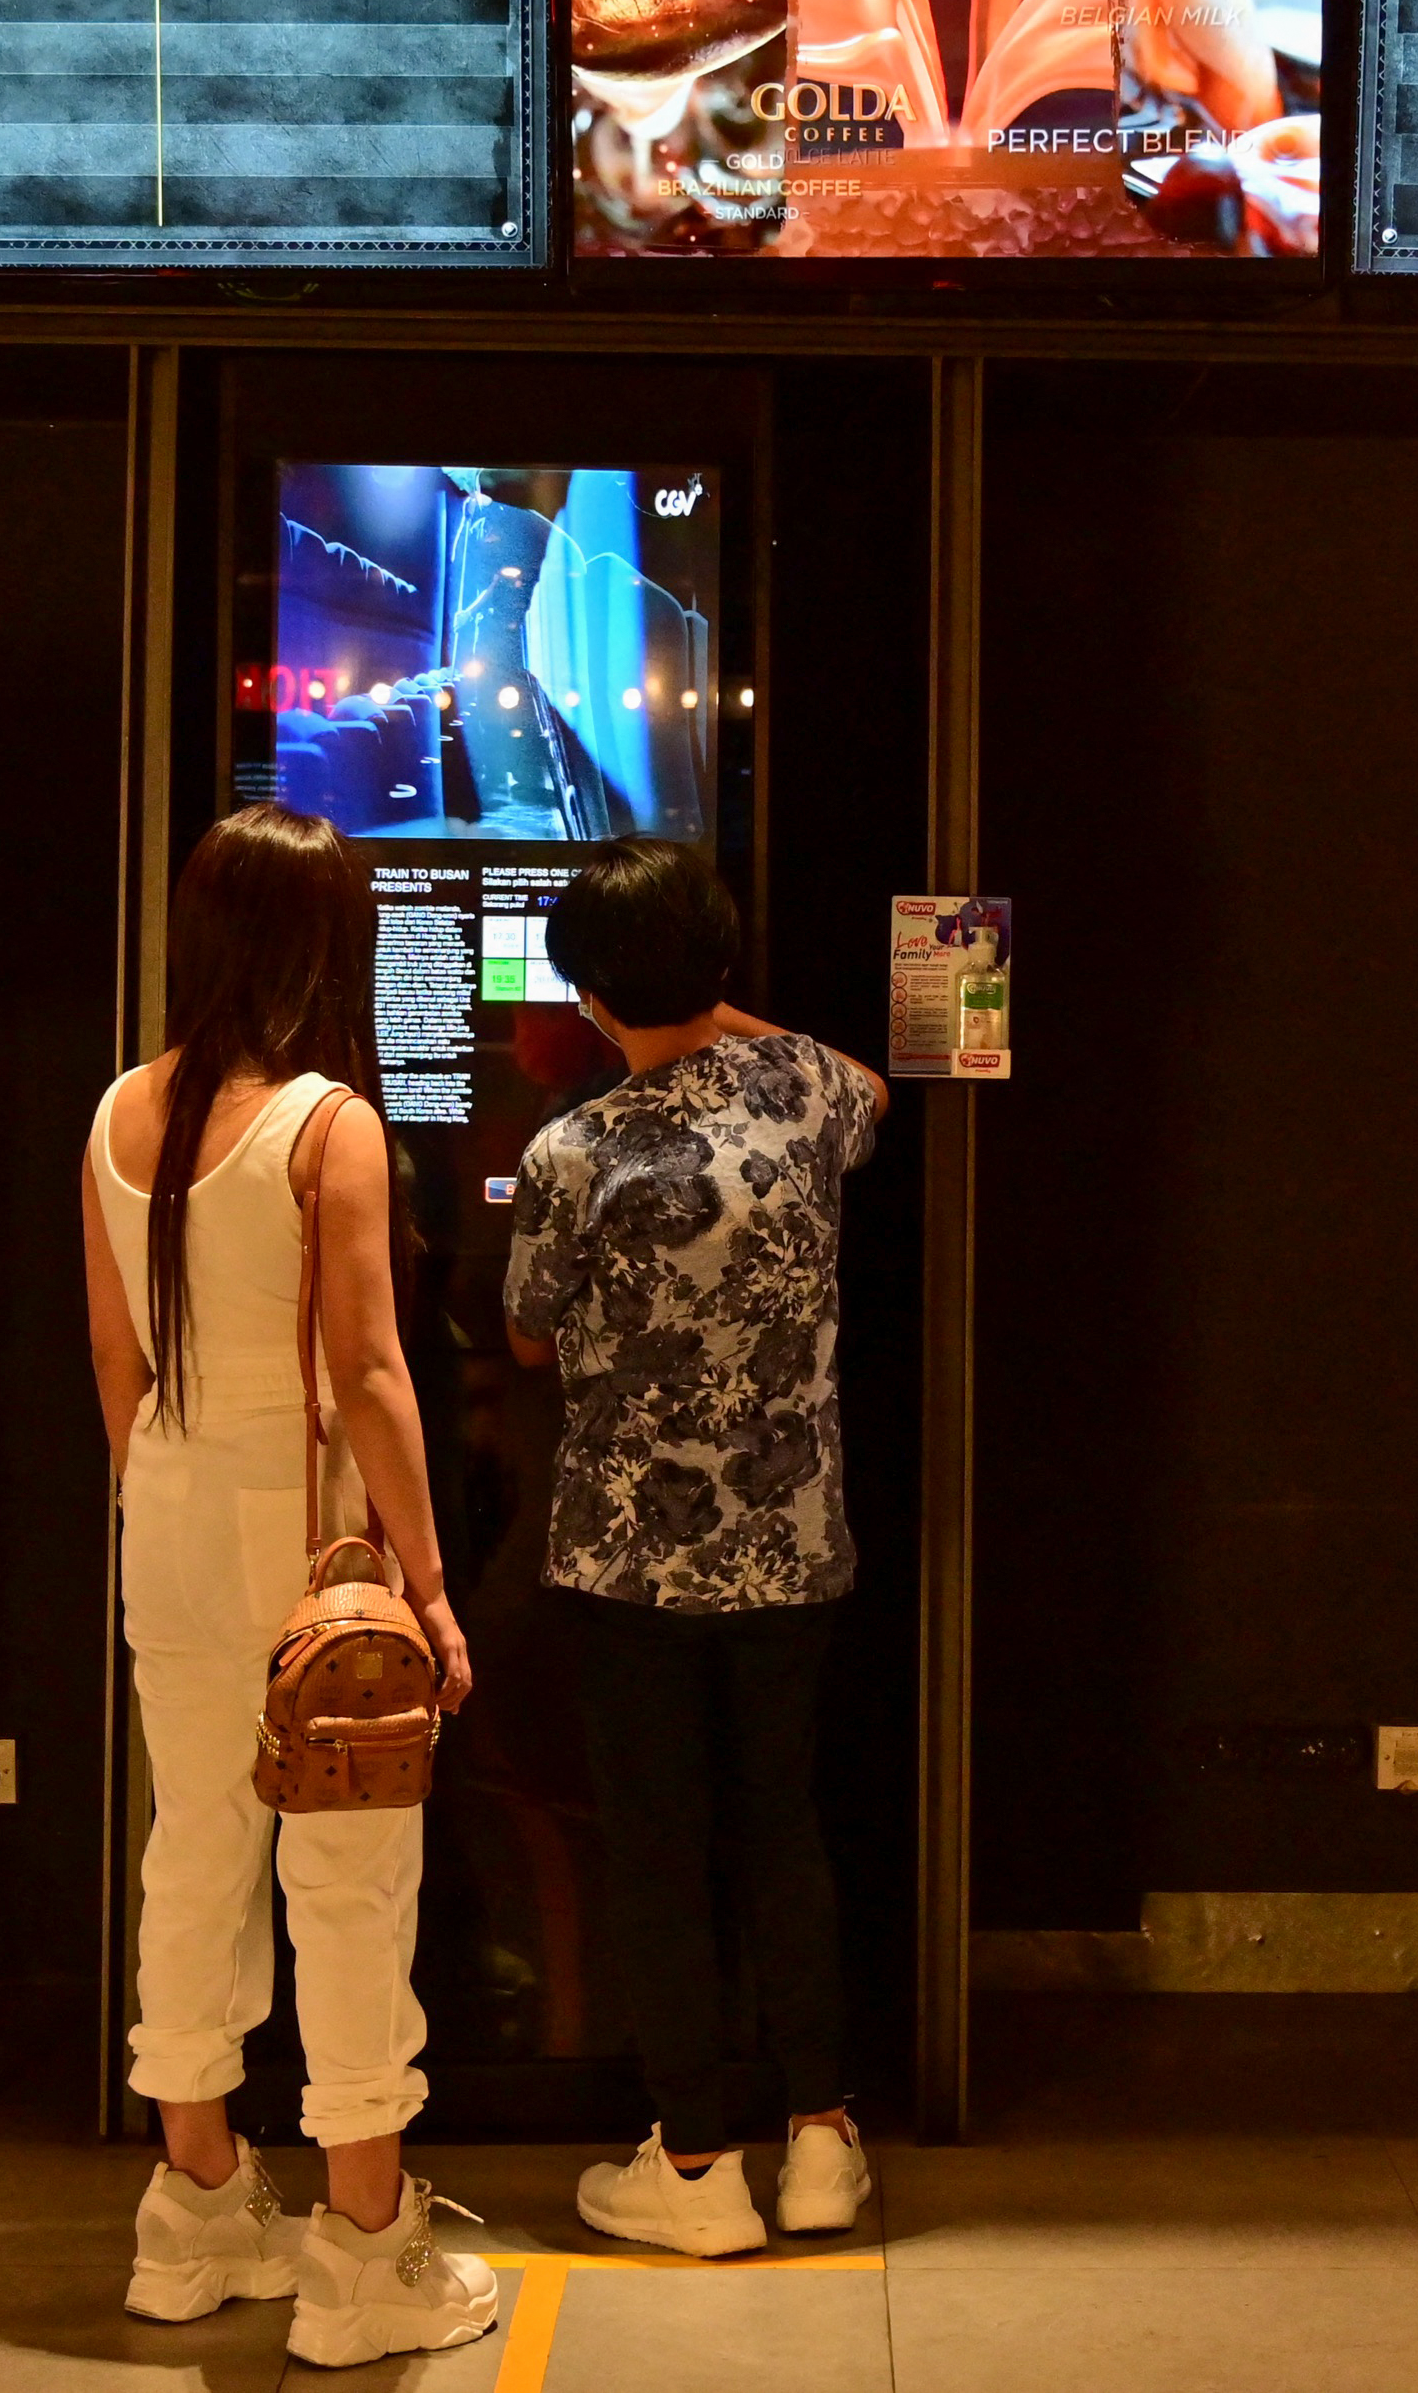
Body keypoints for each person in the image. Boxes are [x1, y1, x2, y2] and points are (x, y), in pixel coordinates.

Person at [80, 805, 502, 2368]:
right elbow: (374, 1371)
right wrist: (433, 1587)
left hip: (169, 1507)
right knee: (348, 1876)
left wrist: (165, 1494)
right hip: (308, 1527)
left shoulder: (122, 1110)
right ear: (327, 940)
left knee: (192, 1846)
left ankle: (192, 2219)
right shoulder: (329, 1122)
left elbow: (117, 1364)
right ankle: (364, 2252)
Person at [503, 837, 889, 2257]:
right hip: (793, 1541)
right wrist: (718, 1004)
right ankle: (824, 2139)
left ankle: (693, 2168)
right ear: (721, 968)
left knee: (659, 1849)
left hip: (628, 1558)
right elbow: (875, 1089)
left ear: (590, 994)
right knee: (781, 1827)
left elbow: (530, 1334)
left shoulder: (572, 1153)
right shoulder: (803, 1095)